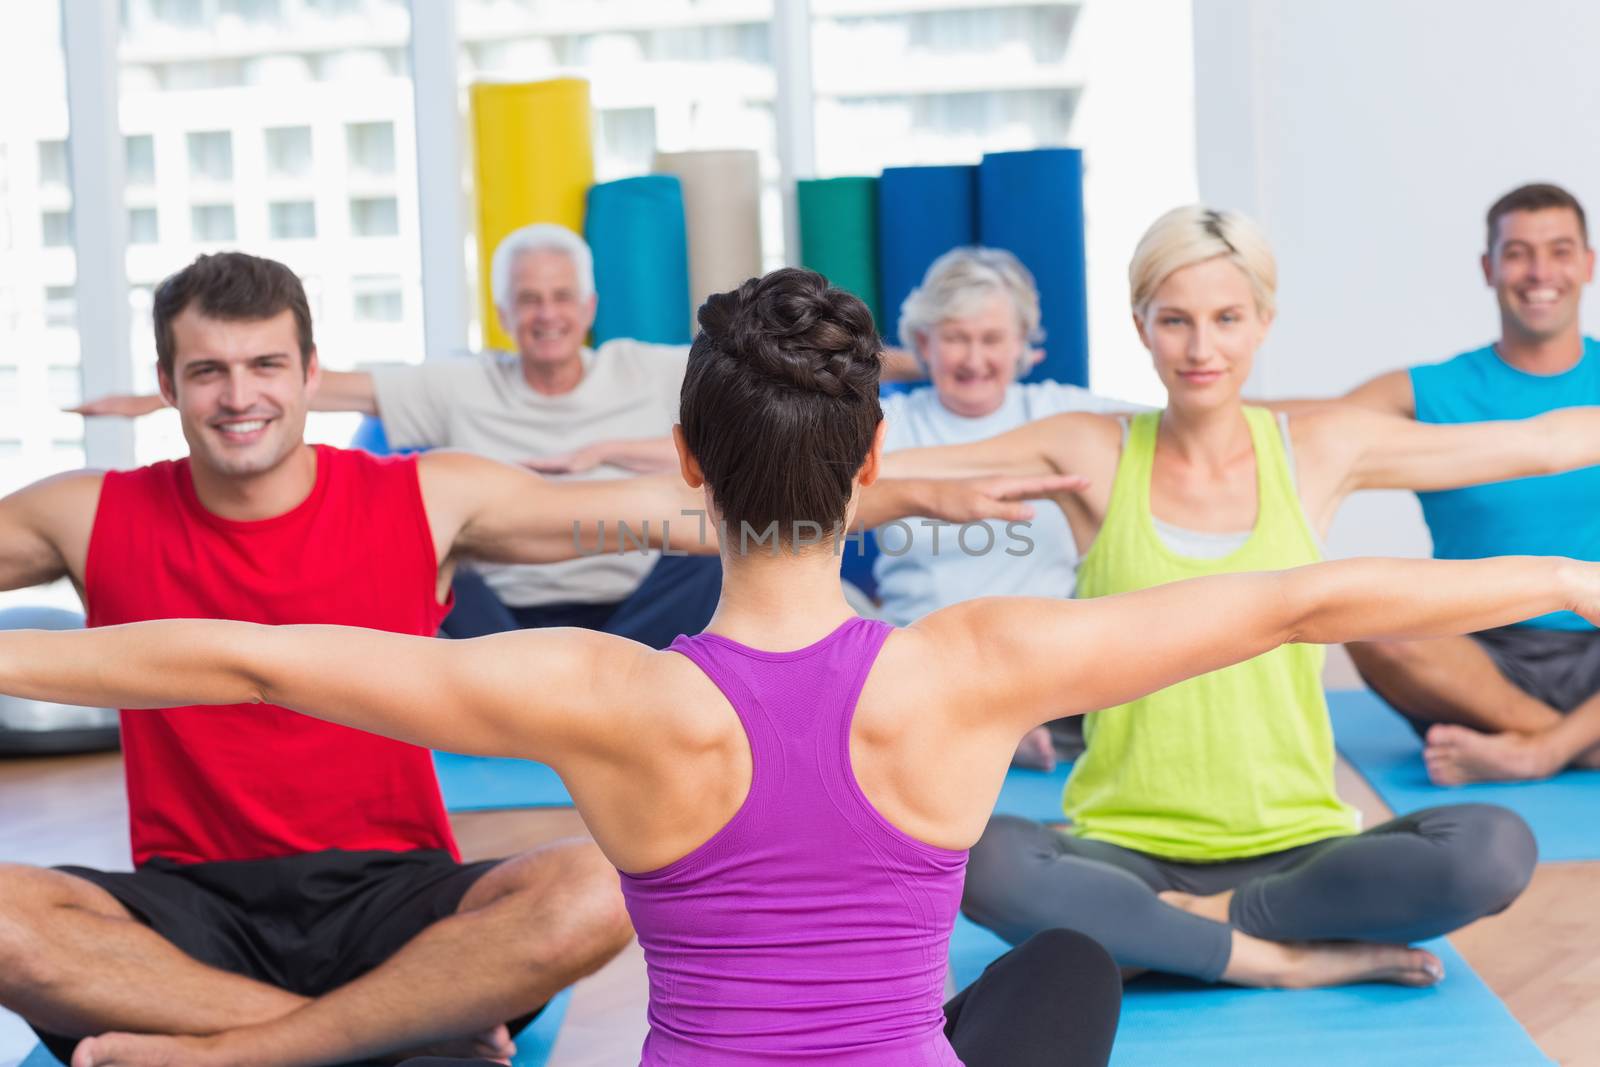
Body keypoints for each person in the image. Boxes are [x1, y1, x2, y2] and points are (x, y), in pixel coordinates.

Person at [12, 268, 1600, 1067]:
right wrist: (1582, 570)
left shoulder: (607, 694)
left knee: (1063, 962)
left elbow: (252, 662)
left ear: (692, 466)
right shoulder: (973, 667)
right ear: (870, 466)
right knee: (1063, 982)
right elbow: (1308, 599)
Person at [0, 252, 1067, 1065]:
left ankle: (269, 1038)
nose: (241, 395)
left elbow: (676, 511)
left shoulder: (427, 495)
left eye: (266, 364)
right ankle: (367, 1034)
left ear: (313, 373)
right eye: (209, 371)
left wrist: (888, 488)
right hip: (187, 904)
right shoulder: (81, 512)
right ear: (167, 382)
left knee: (609, 880)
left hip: (398, 897)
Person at [883, 205, 1600, 988]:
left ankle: (1189, 931)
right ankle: (1279, 962)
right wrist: (740, 489)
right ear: (1140, 324)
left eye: (1227, 318)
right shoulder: (1092, 445)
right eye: (1175, 320)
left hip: (1302, 849)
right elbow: (904, 469)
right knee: (985, 858)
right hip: (1124, 845)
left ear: (1263, 320)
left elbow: (1541, 441)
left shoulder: (1321, 446)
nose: (1201, 349)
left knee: (1494, 846)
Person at [75, 224, 925, 649]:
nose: (546, 313)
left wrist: (931, 358)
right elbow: (305, 383)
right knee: (429, 554)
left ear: (588, 308)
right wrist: (188, 396)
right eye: (528, 299)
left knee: (700, 548)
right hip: (501, 619)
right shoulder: (459, 381)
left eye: (561, 297)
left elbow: (782, 362)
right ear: (505, 312)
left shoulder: (648, 365)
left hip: (636, 607)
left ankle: (606, 673)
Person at [1340, 182, 1600, 785]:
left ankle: (1535, 752)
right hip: (1483, 661)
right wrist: (1119, 425)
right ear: (1489, 268)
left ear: (1588, 264)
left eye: (1560, 251)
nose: (1540, 272)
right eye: (1517, 253)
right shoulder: (1432, 388)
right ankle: (1575, 746)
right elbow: (1304, 426)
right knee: (1365, 619)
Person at [875, 246, 1137, 768]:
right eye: (955, 338)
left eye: (992, 339)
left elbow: (1193, 430)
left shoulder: (1064, 412)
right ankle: (987, 730)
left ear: (1023, 346)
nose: (974, 360)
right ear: (924, 343)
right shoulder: (887, 422)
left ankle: (1002, 728)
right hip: (927, 666)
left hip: (1050, 665)